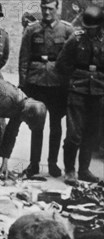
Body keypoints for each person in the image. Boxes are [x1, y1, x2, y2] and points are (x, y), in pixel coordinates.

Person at [14, 0, 75, 177]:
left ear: (57, 9)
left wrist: (69, 81)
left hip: (58, 84)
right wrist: (23, 83)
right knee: (37, 125)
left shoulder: (67, 30)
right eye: (43, 8)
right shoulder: (32, 29)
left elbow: (72, 58)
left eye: (50, 9)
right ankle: (34, 164)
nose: (46, 12)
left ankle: (53, 163)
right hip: (36, 83)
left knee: (56, 125)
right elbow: (24, 57)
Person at [56, 5, 104, 184]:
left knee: (91, 133)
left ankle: (84, 170)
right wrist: (73, 80)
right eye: (87, 28)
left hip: (98, 91)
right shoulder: (75, 39)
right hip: (77, 90)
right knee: (74, 133)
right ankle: (69, 170)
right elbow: (61, 64)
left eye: (93, 28)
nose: (89, 31)